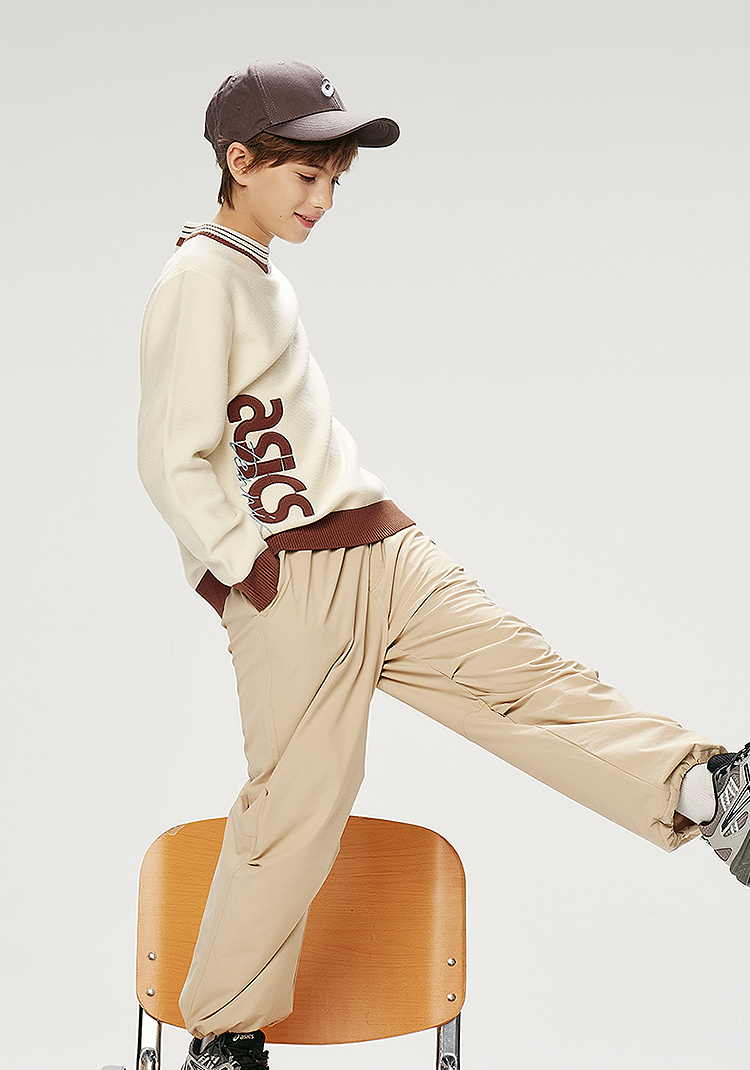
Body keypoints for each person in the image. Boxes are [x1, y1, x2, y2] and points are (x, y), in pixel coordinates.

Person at [137, 59, 750, 1070]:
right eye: (306, 176)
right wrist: (248, 573)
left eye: (335, 180)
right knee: (296, 807)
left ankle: (711, 790)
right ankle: (221, 1035)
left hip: (380, 543)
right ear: (239, 162)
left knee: (527, 675)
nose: (323, 198)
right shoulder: (197, 279)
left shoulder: (255, 272)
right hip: (295, 579)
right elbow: (172, 456)